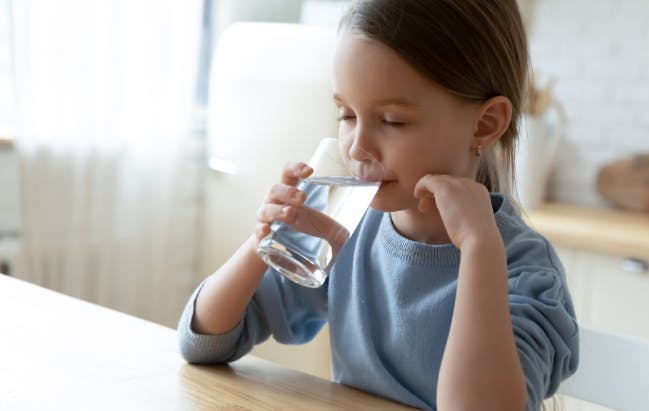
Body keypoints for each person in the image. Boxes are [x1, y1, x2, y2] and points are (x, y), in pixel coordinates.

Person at [177, 0, 579, 409]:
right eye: (346, 114)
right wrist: (260, 242)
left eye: (392, 120)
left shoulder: (525, 270)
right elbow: (204, 341)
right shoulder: (346, 231)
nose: (357, 146)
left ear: (486, 124)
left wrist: (479, 250)